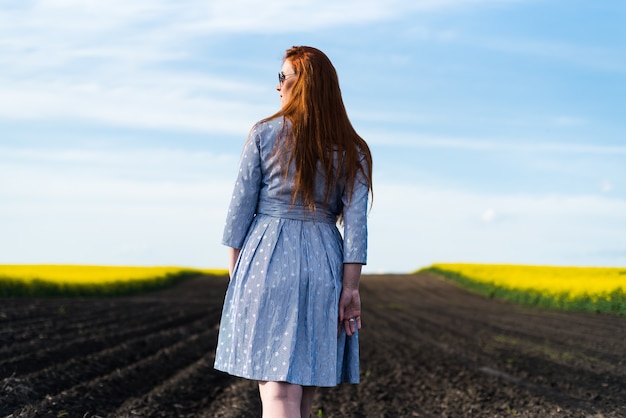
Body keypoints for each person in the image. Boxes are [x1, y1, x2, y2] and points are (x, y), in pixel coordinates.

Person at [214, 45, 373, 418]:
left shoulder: (263, 134)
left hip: (266, 259)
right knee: (302, 398)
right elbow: (356, 229)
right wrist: (351, 289)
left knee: (278, 396)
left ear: (303, 84)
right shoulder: (353, 149)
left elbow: (238, 216)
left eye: (282, 77)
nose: (278, 87)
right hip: (326, 265)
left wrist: (239, 276)